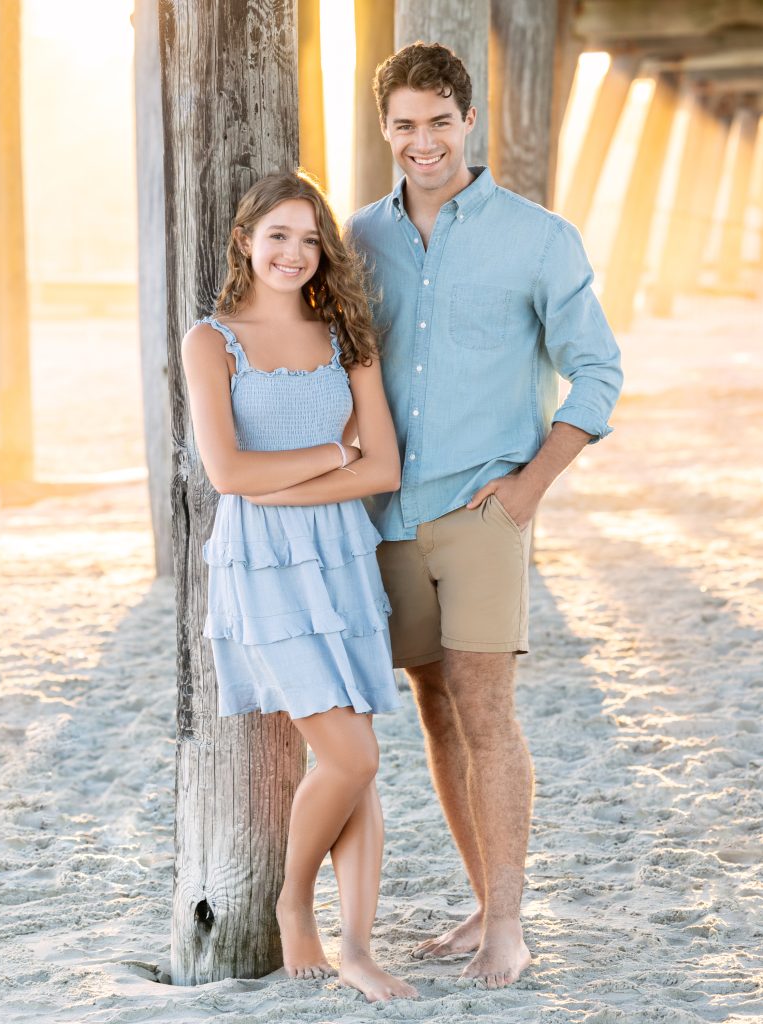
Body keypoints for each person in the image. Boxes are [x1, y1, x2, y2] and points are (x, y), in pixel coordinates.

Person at [345, 42, 623, 989]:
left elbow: (597, 371)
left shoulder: (538, 237)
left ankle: (508, 924)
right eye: (403, 126)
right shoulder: (357, 239)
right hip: (382, 517)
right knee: (432, 712)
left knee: (487, 711)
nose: (422, 142)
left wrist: (528, 487)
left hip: (483, 510)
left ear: (468, 120)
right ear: (386, 130)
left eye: (437, 122)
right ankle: (478, 897)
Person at [181, 171, 418, 1003]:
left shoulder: (345, 333)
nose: (292, 253)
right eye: (277, 234)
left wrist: (290, 482)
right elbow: (227, 472)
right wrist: (328, 456)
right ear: (245, 238)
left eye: (309, 239)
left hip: (340, 559)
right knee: (352, 754)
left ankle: (355, 945)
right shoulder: (212, 341)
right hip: (263, 567)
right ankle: (292, 904)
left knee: (352, 767)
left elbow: (382, 465)